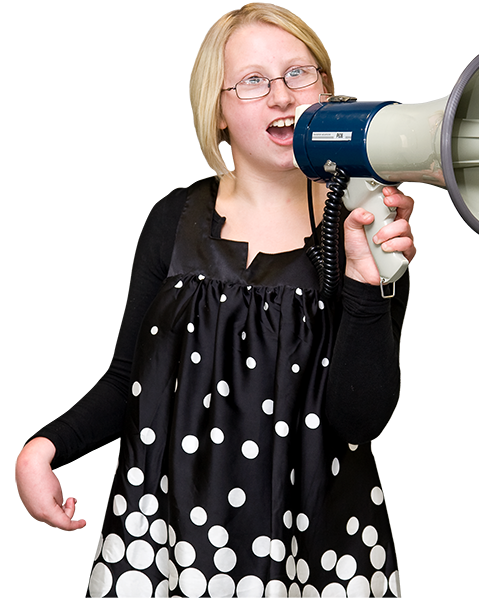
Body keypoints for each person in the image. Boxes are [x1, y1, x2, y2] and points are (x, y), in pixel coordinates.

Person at [16, 4, 416, 598]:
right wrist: (42, 450)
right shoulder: (172, 223)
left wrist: (364, 278)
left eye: (299, 74)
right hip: (171, 542)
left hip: (316, 551)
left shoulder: (367, 224)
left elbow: (361, 420)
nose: (281, 95)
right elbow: (129, 380)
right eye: (252, 81)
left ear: (328, 93)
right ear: (220, 112)